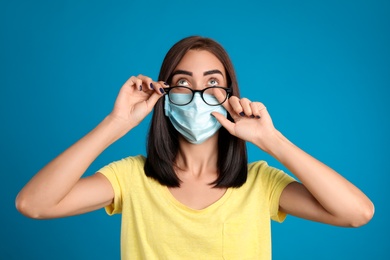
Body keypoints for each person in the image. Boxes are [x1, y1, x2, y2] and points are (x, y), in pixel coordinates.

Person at [16, 36, 374, 259]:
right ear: (165, 96)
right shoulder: (131, 178)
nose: (199, 96)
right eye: (183, 82)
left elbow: (357, 213)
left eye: (213, 83)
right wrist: (116, 124)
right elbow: (33, 204)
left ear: (231, 96)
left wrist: (272, 141)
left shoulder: (260, 184)